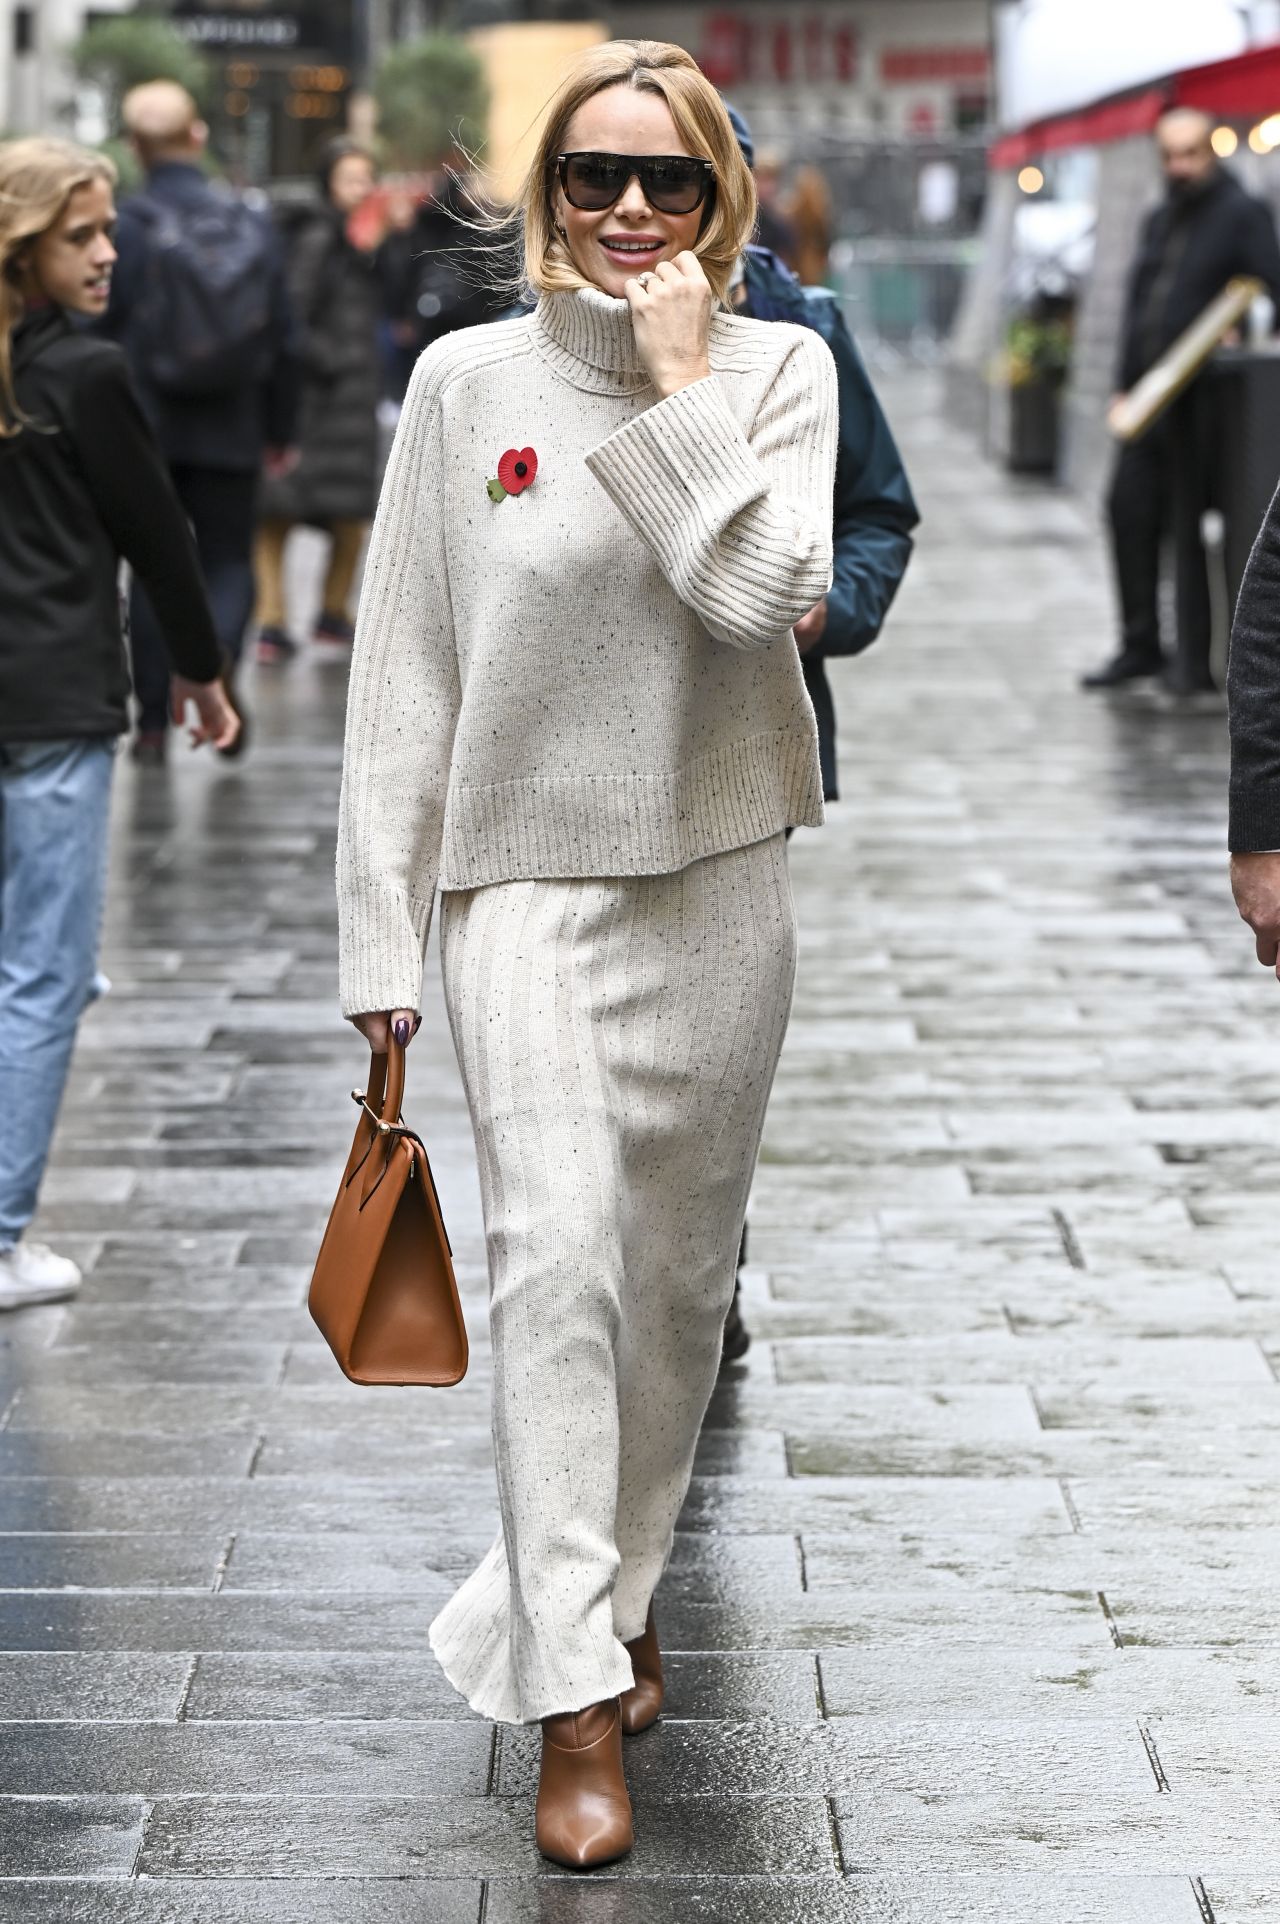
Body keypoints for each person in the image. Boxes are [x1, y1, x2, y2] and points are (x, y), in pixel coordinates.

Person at [336, 38, 837, 1869]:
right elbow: (404, 674)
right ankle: (567, 1689)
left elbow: (754, 593)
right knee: (558, 1269)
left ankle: (617, 1594)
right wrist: (378, 942)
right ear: (543, 196)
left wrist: (683, 377)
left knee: (678, 1287)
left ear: (724, 198)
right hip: (521, 892)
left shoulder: (782, 370)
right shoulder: (464, 383)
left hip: (718, 879)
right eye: (592, 179)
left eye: (669, 183)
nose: (629, 212)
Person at [0, 137, 236, 1310]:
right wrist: (200, 669)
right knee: (42, 973)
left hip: (41, 704)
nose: (107, 255)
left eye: (106, 234)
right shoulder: (85, 374)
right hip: (52, 705)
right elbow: (160, 536)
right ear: (23, 247)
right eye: (80, 237)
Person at [716, 104, 919, 1365]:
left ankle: (702, 1272)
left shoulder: (805, 326)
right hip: (571, 750)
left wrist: (824, 610)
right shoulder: (536, 332)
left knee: (721, 1036)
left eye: (679, 175)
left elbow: (879, 511)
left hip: (749, 729)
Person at [101, 80, 298, 759]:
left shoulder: (124, 228)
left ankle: (153, 723)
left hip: (143, 425)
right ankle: (214, 666)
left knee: (155, 564)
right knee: (224, 558)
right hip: (233, 422)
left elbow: (101, 327)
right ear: (198, 136)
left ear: (134, 147)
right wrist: (280, 430)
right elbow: (283, 338)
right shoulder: (250, 223)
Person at [1084, 106, 1280, 695]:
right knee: (1128, 509)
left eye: (1191, 153)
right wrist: (1123, 380)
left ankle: (1192, 662)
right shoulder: (1158, 217)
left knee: (1187, 523)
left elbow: (1270, 290)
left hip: (1203, 401)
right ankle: (1139, 643)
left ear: (1210, 152)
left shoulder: (1242, 213)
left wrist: (1237, 330)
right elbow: (1139, 305)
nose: (1180, 166)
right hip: (1147, 399)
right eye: (1170, 155)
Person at [255, 139, 381, 661]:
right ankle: (277, 622)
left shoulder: (340, 233)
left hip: (332, 399)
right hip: (319, 400)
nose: (362, 187)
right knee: (282, 514)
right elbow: (295, 315)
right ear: (328, 179)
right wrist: (336, 362)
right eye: (351, 177)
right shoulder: (319, 235)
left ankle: (316, 616)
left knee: (334, 516)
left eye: (366, 177)